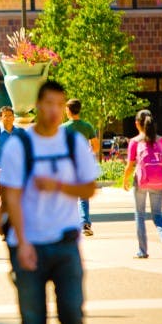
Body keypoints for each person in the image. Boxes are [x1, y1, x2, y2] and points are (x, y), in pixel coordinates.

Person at [0, 80, 99, 324]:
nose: (55, 110)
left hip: (66, 243)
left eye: (60, 103)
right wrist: (23, 242)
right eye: (49, 103)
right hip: (28, 245)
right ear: (38, 106)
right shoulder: (20, 145)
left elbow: (88, 188)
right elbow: (10, 197)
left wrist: (57, 185)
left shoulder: (73, 143)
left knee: (73, 314)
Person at [123, 109, 162, 260]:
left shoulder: (135, 142)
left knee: (140, 214)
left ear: (137, 124)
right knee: (157, 215)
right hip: (158, 181)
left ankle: (142, 250)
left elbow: (130, 164)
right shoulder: (161, 140)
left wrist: (125, 179)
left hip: (141, 181)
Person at [63, 99, 100, 237]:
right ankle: (85, 224)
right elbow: (95, 147)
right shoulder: (87, 126)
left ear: (68, 110)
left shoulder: (63, 128)